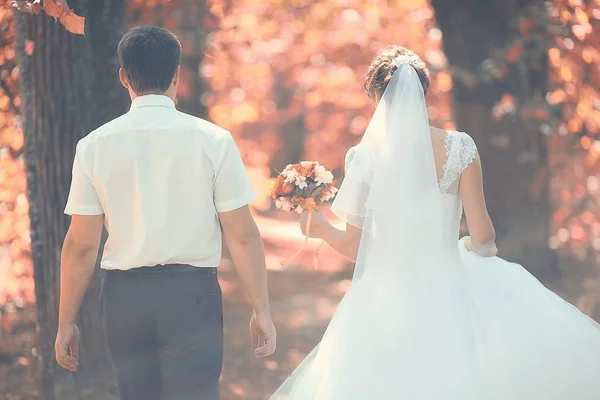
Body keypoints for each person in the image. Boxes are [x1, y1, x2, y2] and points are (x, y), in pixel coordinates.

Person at [271, 46, 600, 399]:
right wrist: (473, 247)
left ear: (377, 97)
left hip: (384, 296)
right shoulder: (460, 147)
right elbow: (483, 232)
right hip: (449, 285)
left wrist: (319, 228)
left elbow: (355, 246)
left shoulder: (364, 158)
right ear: (422, 93)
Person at [54, 25, 276, 400]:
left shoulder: (93, 146)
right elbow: (242, 234)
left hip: (124, 299)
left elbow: (80, 245)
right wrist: (262, 310)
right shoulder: (214, 140)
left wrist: (65, 324)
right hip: (192, 295)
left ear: (124, 76)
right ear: (177, 74)